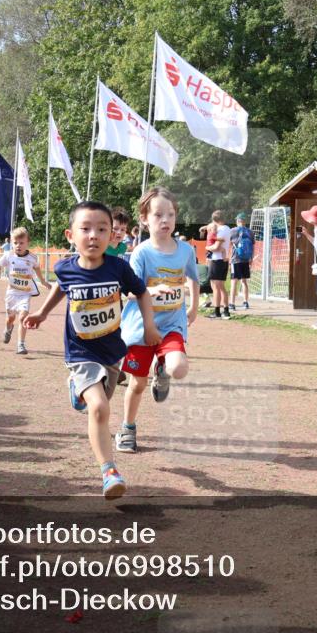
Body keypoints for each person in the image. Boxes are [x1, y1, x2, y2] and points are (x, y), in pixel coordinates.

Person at [24, 201, 160, 499]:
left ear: (112, 235)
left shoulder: (118, 267)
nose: (94, 236)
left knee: (99, 404)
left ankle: (78, 390)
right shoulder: (65, 267)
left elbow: (142, 292)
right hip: (80, 353)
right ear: (70, 235)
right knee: (99, 408)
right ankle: (109, 471)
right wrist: (42, 314)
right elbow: (62, 285)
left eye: (102, 229)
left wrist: (149, 327)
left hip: (112, 352)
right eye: (85, 229)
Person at [115, 187, 199, 454]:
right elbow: (129, 290)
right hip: (142, 327)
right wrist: (148, 291)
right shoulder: (141, 253)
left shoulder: (185, 250)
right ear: (144, 219)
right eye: (158, 215)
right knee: (137, 384)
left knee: (179, 368)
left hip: (172, 324)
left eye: (171, 214)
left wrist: (194, 308)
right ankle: (127, 428)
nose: (166, 220)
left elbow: (193, 279)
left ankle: (163, 370)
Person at [0, 227, 51, 354]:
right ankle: (8, 327)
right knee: (10, 318)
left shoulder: (32, 258)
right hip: (11, 293)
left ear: (28, 243)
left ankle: (21, 345)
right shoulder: (9, 255)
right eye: (15, 243)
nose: (18, 245)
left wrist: (43, 281)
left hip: (24, 294)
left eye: (21, 243)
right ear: (11, 243)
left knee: (23, 317)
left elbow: (37, 268)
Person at [204, 210, 232, 319]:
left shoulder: (219, 230)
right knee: (221, 287)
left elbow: (215, 247)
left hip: (217, 260)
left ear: (214, 220)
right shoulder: (227, 228)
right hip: (223, 261)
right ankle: (226, 310)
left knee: (215, 287)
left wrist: (207, 248)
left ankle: (216, 312)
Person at [228, 212, 253, 311]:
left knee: (234, 281)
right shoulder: (250, 232)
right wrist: (250, 258)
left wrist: (229, 259)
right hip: (246, 259)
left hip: (236, 259)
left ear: (237, 221)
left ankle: (232, 304)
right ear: (245, 221)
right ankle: (246, 302)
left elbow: (229, 245)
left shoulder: (232, 231)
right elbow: (253, 245)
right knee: (244, 281)